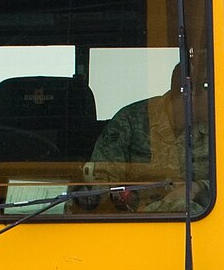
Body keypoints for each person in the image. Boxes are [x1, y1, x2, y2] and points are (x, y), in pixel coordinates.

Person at [87, 62, 213, 212]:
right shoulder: (131, 121)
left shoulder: (218, 130)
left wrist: (196, 187)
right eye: (208, 88)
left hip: (200, 226)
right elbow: (101, 181)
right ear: (189, 92)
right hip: (136, 224)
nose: (218, 96)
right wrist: (124, 197)